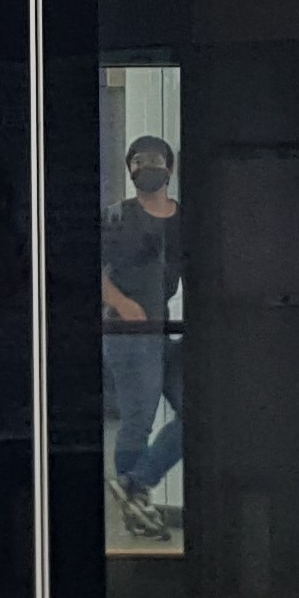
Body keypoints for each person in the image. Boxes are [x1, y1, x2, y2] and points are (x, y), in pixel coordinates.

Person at [100, 134, 183, 540]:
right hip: (127, 333)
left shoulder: (185, 220)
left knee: (197, 412)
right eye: (137, 161)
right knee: (138, 418)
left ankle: (135, 483)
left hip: (165, 330)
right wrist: (122, 303)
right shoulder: (116, 217)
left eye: (153, 160)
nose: (145, 167)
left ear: (170, 167)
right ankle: (137, 505)